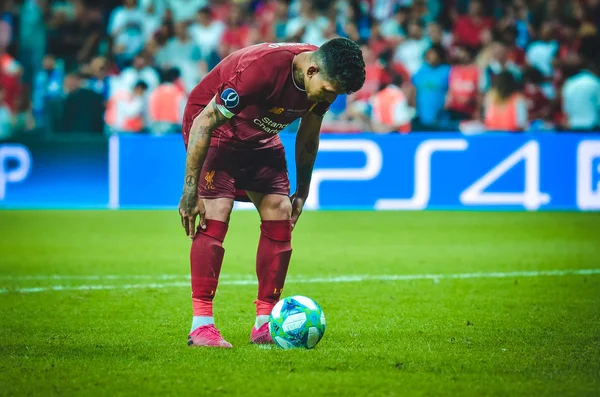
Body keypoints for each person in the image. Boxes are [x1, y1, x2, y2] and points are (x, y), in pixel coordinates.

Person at [179, 38, 365, 348]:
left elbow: (309, 133)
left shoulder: (324, 81)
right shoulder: (262, 70)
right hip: (215, 130)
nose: (330, 97)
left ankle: (264, 323)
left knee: (280, 211)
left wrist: (302, 190)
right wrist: (189, 190)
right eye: (329, 90)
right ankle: (202, 326)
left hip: (260, 136)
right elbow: (204, 122)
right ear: (312, 69)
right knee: (216, 212)